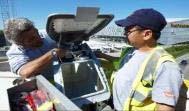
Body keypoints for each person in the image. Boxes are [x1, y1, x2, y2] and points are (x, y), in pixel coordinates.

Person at [98, 8, 183, 111]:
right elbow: (120, 65)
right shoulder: (130, 51)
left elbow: (165, 107)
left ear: (147, 34)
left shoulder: (165, 66)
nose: (124, 33)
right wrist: (100, 56)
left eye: (128, 30)